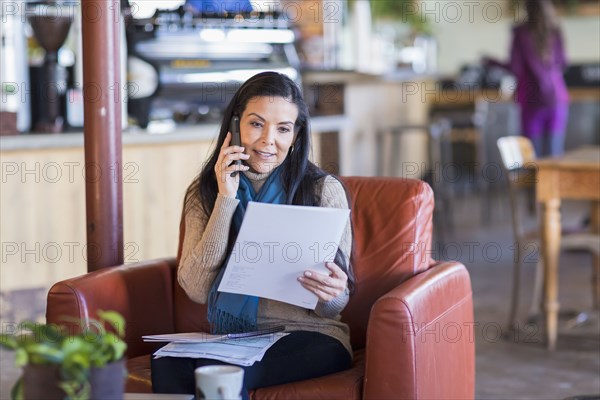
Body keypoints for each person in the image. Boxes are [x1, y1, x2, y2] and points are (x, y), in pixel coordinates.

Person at [151, 72, 354, 396]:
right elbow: (197, 289)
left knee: (228, 375)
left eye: (283, 129)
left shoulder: (321, 191)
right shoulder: (205, 193)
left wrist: (333, 292)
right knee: (167, 365)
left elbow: (332, 307)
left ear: (296, 135)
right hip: (237, 338)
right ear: (235, 126)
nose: (267, 141)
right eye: (256, 124)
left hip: (312, 335)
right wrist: (225, 199)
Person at [485, 0, 569, 157]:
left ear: (527, 9)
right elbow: (564, 62)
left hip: (531, 101)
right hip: (557, 99)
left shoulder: (520, 33)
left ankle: (532, 183)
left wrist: (490, 62)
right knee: (555, 157)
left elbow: (515, 68)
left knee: (531, 157)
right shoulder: (555, 31)